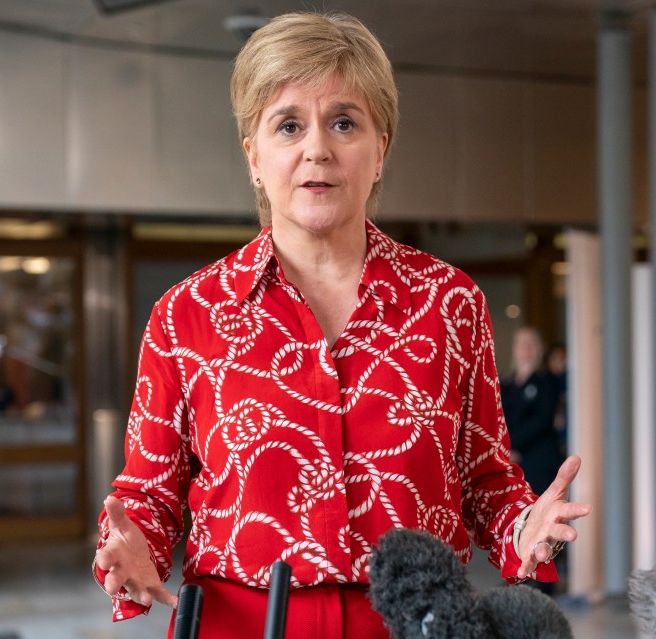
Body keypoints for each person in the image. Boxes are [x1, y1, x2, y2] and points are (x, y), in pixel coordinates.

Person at [93, 12, 591, 638]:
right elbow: (149, 492)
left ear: (380, 151)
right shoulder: (185, 314)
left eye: (345, 122)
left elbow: (485, 477)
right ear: (254, 156)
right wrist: (130, 542)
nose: (317, 148)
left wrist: (526, 529)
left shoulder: (449, 303)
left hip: (414, 624)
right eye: (289, 125)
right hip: (242, 625)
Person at [502, 328, 563, 498]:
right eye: (521, 343)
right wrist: (505, 449)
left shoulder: (547, 381)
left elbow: (542, 419)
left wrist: (513, 444)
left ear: (538, 348)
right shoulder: (505, 385)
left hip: (538, 461)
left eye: (530, 343)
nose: (525, 348)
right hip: (510, 464)